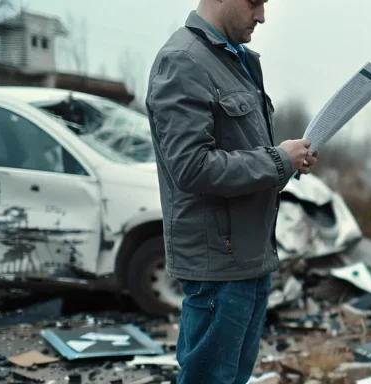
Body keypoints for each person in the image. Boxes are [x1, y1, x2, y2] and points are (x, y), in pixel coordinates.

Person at [145, 1, 317, 383]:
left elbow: (242, 157)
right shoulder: (183, 62)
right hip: (217, 268)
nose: (262, 15)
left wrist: (287, 162)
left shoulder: (237, 61)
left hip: (250, 258)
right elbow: (191, 167)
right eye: (253, 2)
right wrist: (277, 160)